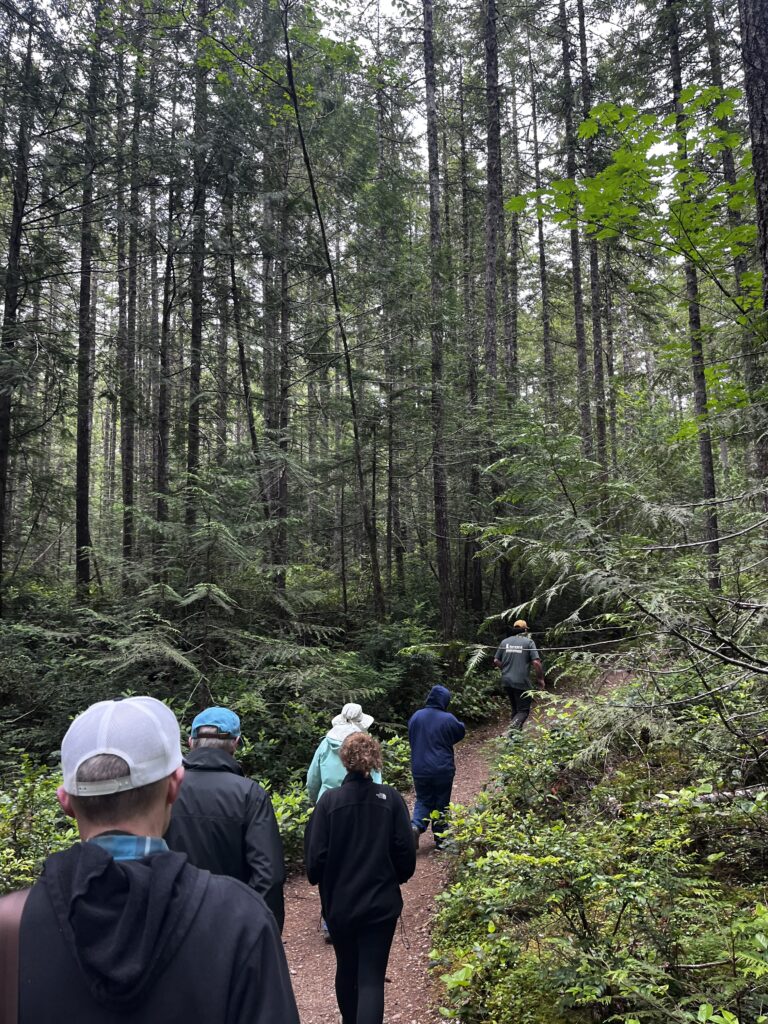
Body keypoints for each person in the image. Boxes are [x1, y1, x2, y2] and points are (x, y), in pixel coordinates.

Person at [3, 695, 299, 1024]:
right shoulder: (242, 921)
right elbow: (267, 871)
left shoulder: (12, 927)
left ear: (65, 801)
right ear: (174, 785)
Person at [304, 732, 416, 1024]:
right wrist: (396, 877)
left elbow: (314, 864)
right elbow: (406, 854)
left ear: (344, 760)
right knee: (371, 978)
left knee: (346, 968)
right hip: (381, 904)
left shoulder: (328, 802)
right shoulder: (390, 799)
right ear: (376, 759)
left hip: (340, 905)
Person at [164, 705, 286, 931]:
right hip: (231, 926)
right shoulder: (250, 794)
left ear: (190, 742)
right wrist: (262, 931)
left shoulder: (165, 791)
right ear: (236, 743)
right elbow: (269, 875)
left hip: (171, 924)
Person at [408, 685, 465, 849]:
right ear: (445, 701)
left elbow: (412, 737)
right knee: (442, 801)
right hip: (442, 768)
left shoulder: (416, 717)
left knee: (423, 799)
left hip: (419, 768)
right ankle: (441, 839)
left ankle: (415, 826)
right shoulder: (448, 719)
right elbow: (460, 732)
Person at [306, 702, 381, 805]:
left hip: (327, 803)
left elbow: (312, 779)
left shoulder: (325, 744)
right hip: (361, 804)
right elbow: (376, 781)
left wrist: (316, 800)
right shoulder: (366, 746)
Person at [493, 619, 545, 730]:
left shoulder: (505, 642)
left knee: (516, 710)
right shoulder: (528, 642)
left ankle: (515, 740)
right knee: (523, 711)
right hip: (521, 682)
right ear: (525, 630)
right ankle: (510, 731)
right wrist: (540, 679)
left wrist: (506, 669)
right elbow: (536, 662)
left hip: (507, 681)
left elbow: (496, 660)